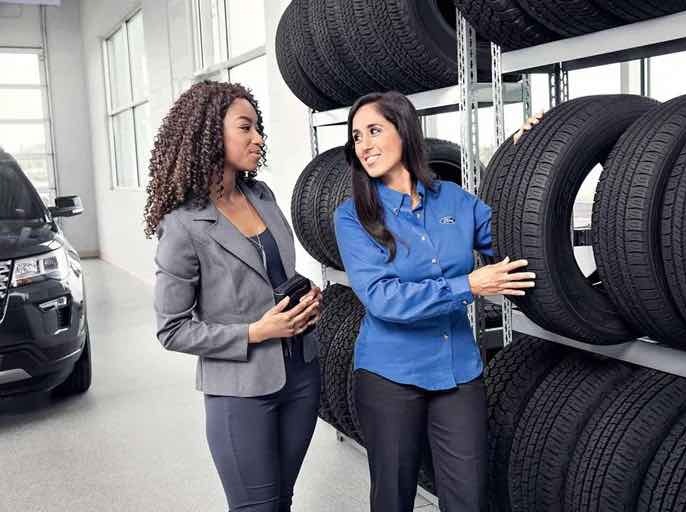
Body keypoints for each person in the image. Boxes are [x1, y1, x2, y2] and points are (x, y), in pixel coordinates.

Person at [333, 91, 536, 512]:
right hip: (390, 375)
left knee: (469, 498)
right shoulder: (352, 216)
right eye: (356, 137)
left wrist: (525, 158)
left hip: (458, 371)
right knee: (393, 498)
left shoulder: (454, 200)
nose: (364, 145)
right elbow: (383, 298)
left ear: (404, 131)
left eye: (374, 131)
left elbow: (511, 231)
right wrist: (469, 286)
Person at [145, 80, 322, 512]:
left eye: (258, 128)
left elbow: (273, 272)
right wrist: (256, 332)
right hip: (240, 392)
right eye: (246, 127)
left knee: (281, 501)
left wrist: (305, 294)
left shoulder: (262, 196)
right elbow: (172, 329)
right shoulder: (183, 225)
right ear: (210, 132)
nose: (258, 138)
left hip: (301, 374)